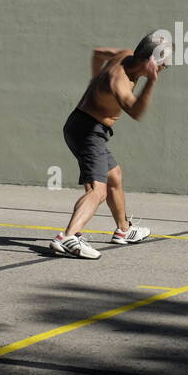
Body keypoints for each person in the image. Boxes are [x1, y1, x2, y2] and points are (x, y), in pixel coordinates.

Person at [50, 33, 168, 259]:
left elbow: (98, 52)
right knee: (98, 191)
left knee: (114, 176)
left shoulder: (125, 55)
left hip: (84, 126)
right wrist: (151, 82)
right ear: (150, 63)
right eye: (163, 65)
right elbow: (136, 112)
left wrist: (94, 80)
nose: (164, 68)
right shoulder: (119, 80)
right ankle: (67, 237)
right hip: (88, 131)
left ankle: (124, 230)